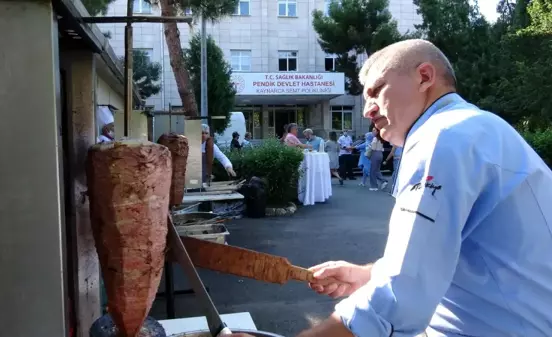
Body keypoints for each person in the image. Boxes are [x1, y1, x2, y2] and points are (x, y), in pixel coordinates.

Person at [232, 39, 552, 337]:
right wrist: (368, 274)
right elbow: (439, 256)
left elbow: (401, 295)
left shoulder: (443, 135)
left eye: (376, 90)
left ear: (424, 76)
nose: (367, 109)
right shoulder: (469, 129)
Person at [368, 127, 388, 191]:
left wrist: (369, 146)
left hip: (375, 154)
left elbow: (373, 148)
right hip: (380, 154)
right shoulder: (381, 139)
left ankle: (374, 186)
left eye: (374, 130)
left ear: (377, 132)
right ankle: (383, 181)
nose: (373, 132)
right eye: (372, 130)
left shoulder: (375, 138)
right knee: (377, 170)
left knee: (372, 171)